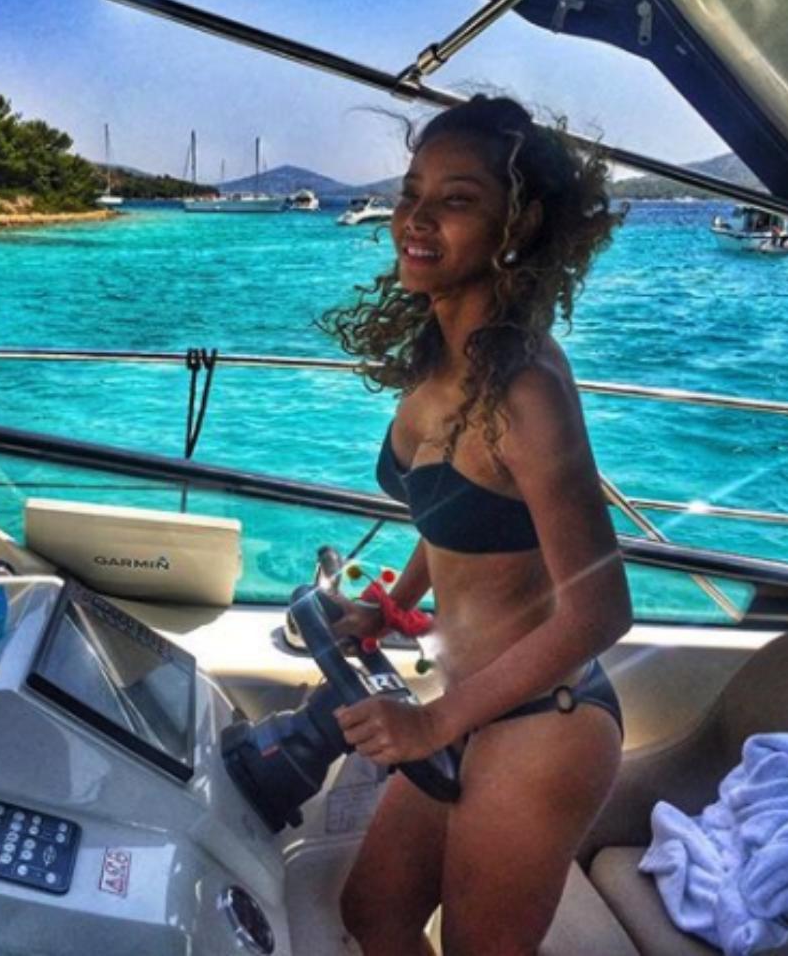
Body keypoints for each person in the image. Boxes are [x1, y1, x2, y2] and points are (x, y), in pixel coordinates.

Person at [319, 95, 632, 956]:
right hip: (470, 705)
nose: (416, 218)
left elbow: (601, 610)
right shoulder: (441, 360)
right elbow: (454, 516)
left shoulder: (526, 390)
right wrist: (388, 608)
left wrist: (432, 724)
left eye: (455, 200)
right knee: (374, 915)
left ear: (516, 225)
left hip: (543, 720)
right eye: (411, 192)